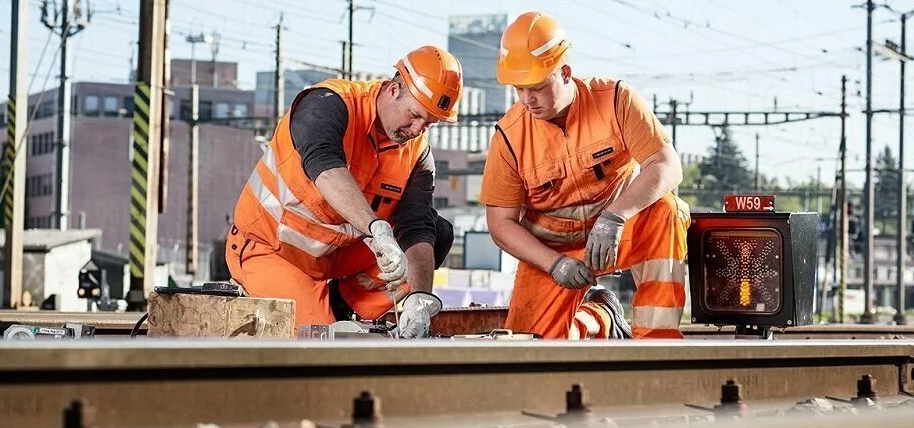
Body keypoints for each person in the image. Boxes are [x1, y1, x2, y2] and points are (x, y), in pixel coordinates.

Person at [226, 46, 462, 339]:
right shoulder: (327, 104)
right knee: (319, 343)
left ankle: (342, 303)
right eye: (415, 115)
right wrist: (377, 229)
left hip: (335, 256)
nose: (417, 129)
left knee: (435, 233)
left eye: (429, 123)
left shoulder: (417, 153)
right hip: (273, 249)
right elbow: (325, 168)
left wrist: (419, 297)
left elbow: (417, 226)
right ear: (393, 89)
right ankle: (324, 309)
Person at [479, 11, 690, 339]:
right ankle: (601, 315)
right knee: (533, 349)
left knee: (667, 210)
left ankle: (658, 341)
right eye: (518, 89)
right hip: (552, 251)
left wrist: (615, 217)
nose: (526, 100)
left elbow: (666, 165)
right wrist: (554, 264)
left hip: (617, 234)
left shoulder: (616, 101)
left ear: (565, 72)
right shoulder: (509, 136)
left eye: (536, 87)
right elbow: (500, 223)